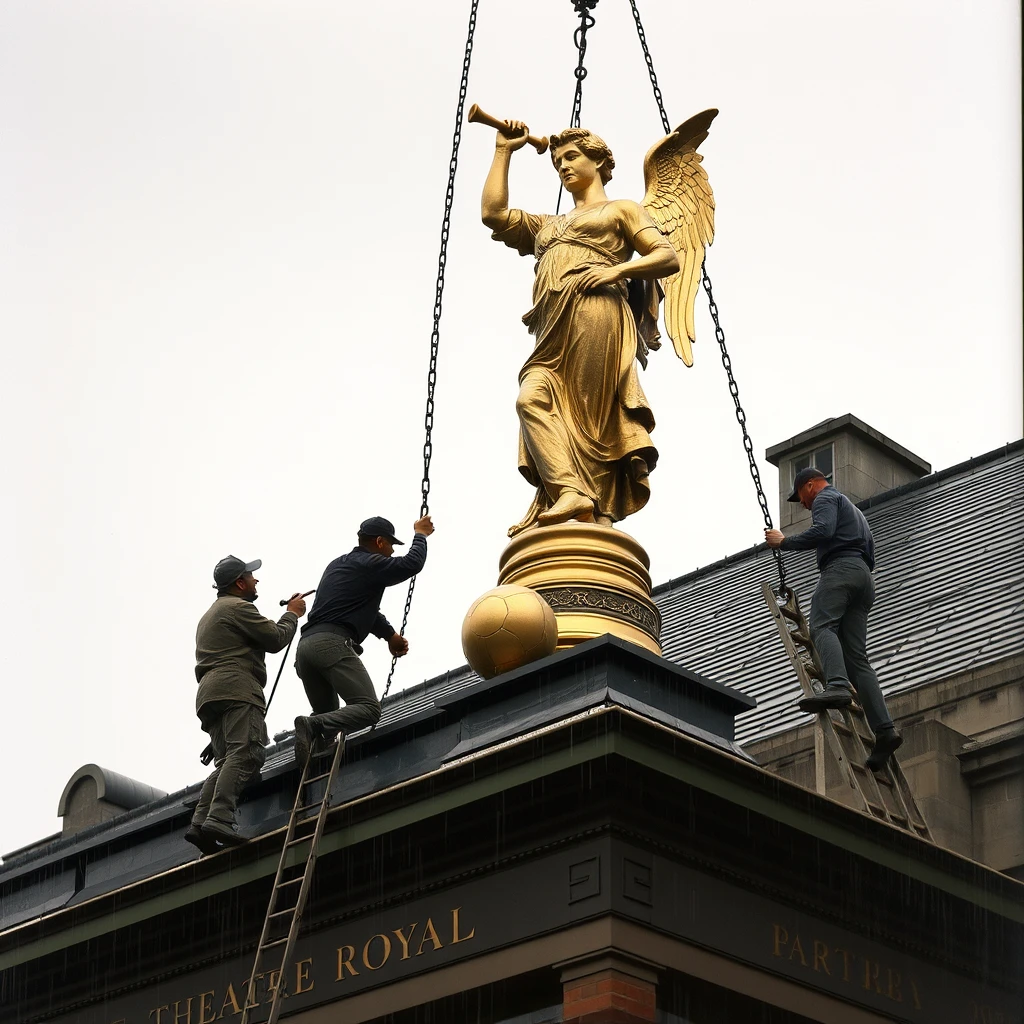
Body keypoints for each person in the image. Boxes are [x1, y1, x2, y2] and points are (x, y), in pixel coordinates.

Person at [481, 121, 680, 537]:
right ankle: (570, 490)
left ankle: (596, 505)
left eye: (571, 157)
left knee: (592, 417)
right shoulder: (547, 226)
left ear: (600, 161)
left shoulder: (621, 209)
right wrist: (504, 150)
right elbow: (493, 214)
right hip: (551, 327)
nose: (563, 167)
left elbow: (666, 256)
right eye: (557, 162)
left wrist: (616, 271)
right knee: (531, 398)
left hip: (597, 313)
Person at [765, 468, 902, 770]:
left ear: (810, 486)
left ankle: (838, 685)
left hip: (840, 569)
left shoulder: (825, 498)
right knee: (857, 658)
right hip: (864, 578)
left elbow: (824, 531)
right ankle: (885, 730)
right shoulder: (853, 510)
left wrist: (783, 541)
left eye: (800, 495)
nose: (802, 503)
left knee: (822, 626)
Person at [186, 556, 307, 852]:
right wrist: (292, 614)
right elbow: (276, 638)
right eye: (251, 576)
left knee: (228, 759)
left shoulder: (210, 615)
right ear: (239, 583)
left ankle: (201, 823)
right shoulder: (238, 607)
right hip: (237, 687)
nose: (256, 581)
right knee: (248, 753)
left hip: (210, 693)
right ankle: (219, 818)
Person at [292, 515, 434, 765]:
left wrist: (390, 636)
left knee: (328, 725)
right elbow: (411, 564)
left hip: (305, 650)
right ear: (379, 542)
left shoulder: (338, 565)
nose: (391, 552)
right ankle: (312, 725)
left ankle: (310, 766)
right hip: (331, 645)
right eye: (391, 546)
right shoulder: (370, 563)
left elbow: (366, 611)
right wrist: (420, 534)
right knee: (368, 709)